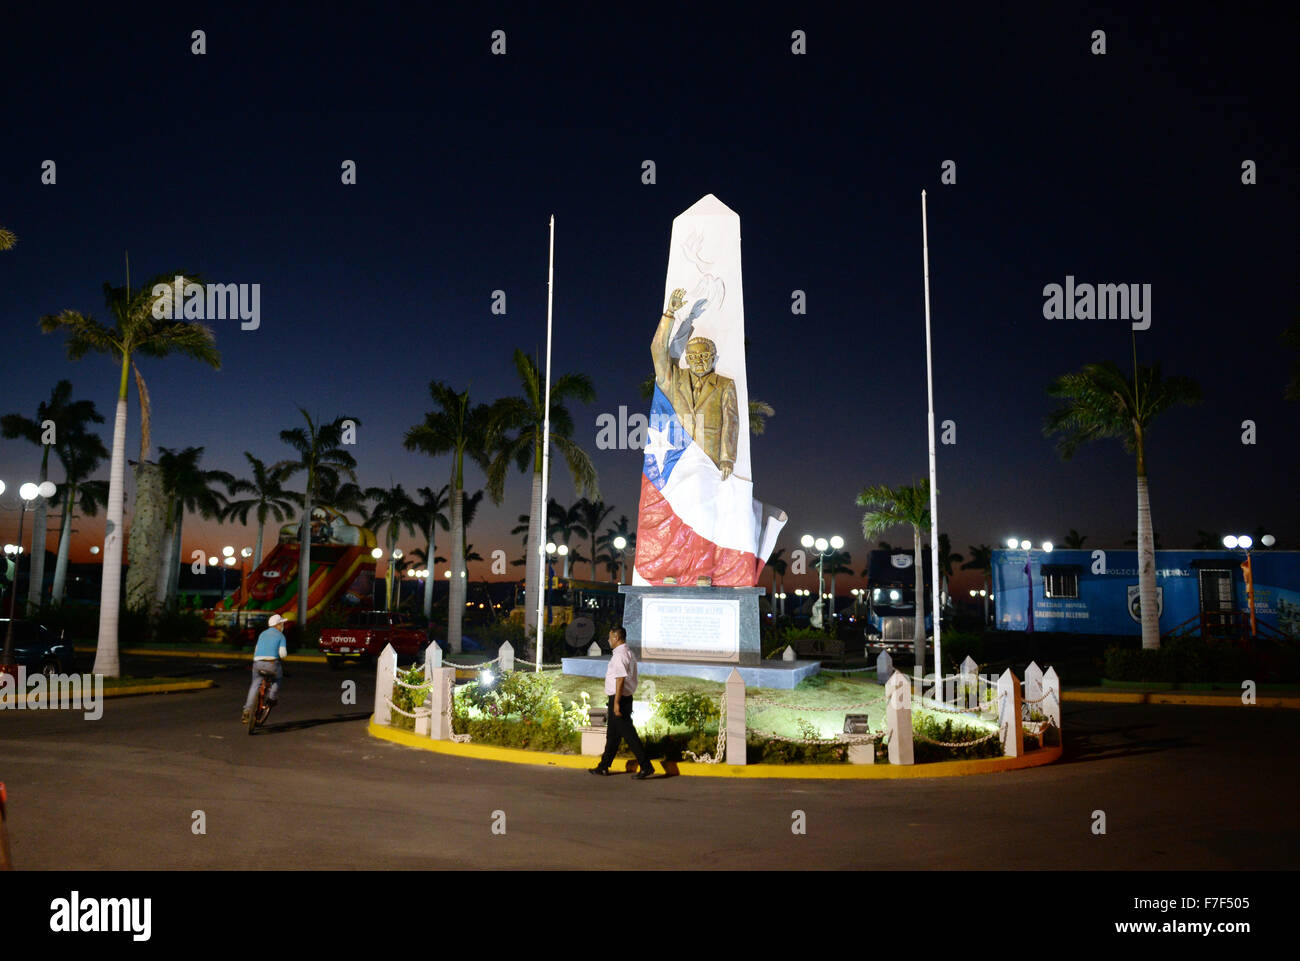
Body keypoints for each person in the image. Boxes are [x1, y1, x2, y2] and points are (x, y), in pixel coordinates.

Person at [590, 625, 655, 779]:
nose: (608, 640)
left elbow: (620, 679)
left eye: (610, 637)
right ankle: (603, 766)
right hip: (625, 698)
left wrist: (616, 703)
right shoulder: (629, 653)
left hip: (619, 698)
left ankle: (646, 766)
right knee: (612, 736)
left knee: (629, 735)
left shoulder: (619, 656)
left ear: (616, 638)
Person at [242, 613, 287, 723]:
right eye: (281, 623)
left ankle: (247, 710)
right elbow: (283, 654)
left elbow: (256, 649)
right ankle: (271, 698)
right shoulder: (281, 636)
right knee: (278, 679)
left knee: (255, 684)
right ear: (278, 625)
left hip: (257, 663)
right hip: (272, 664)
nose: (282, 626)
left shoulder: (262, 634)